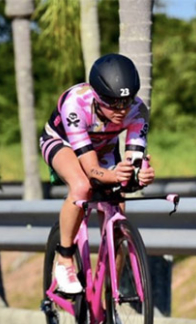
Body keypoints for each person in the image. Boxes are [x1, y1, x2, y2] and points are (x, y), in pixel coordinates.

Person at [39, 53, 155, 294]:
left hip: (104, 147)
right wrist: (113, 176)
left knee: (117, 221)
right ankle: (65, 259)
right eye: (112, 102)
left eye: (126, 101)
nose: (121, 109)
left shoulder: (137, 110)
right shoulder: (75, 105)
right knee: (82, 187)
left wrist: (138, 176)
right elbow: (92, 171)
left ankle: (109, 303)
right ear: (97, 95)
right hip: (63, 143)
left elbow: (132, 162)